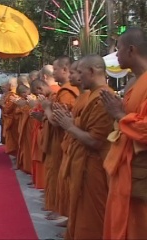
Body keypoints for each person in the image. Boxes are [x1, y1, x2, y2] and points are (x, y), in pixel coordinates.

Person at [54, 54, 113, 239]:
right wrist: (71, 121)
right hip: (82, 162)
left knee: (91, 217)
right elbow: (83, 124)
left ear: (92, 71)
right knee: (80, 211)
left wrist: (69, 126)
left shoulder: (104, 97)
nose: (78, 77)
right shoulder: (91, 96)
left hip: (94, 166)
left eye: (80, 72)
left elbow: (96, 141)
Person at [100, 27, 147, 240]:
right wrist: (119, 112)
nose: (115, 54)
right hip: (125, 165)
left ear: (131, 50)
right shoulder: (133, 83)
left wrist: (119, 114)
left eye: (117, 49)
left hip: (140, 168)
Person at [40, 56, 79, 220]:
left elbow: (57, 121)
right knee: (56, 174)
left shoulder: (66, 92)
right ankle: (60, 210)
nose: (54, 72)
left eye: (56, 69)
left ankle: (65, 214)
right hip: (59, 140)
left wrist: (47, 109)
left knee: (61, 175)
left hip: (64, 140)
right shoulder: (65, 91)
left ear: (65, 69)